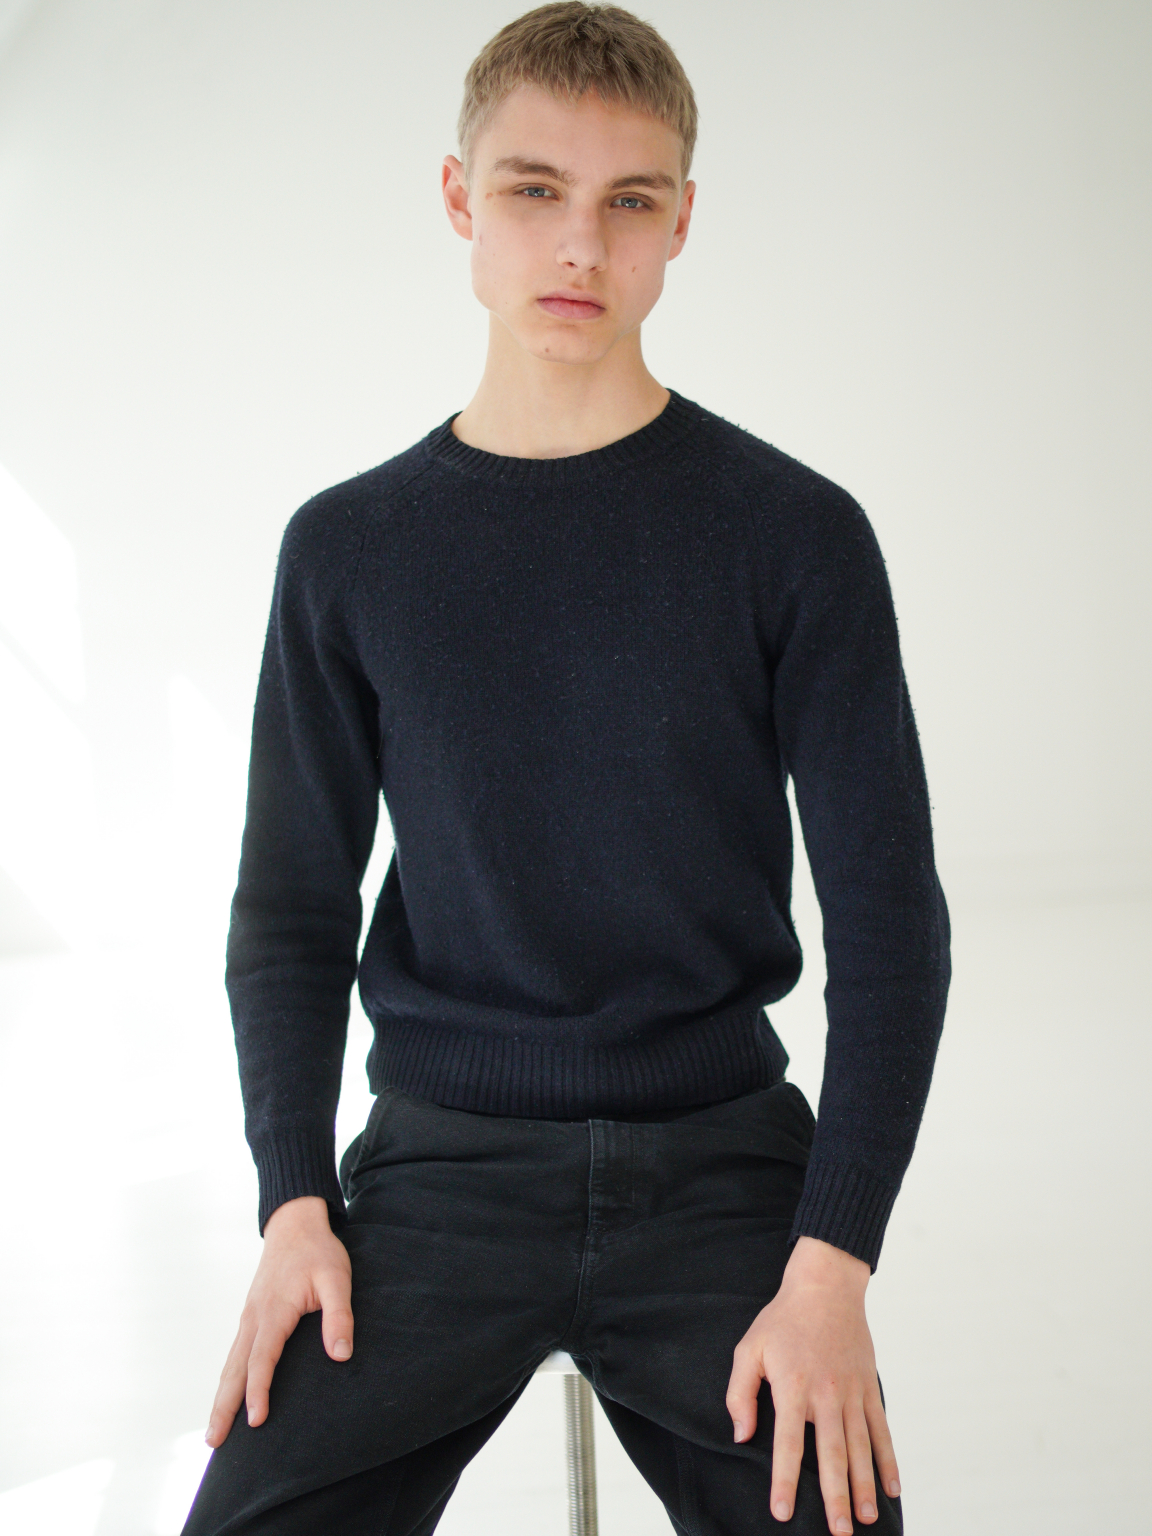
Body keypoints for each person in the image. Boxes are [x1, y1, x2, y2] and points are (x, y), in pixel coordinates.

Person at [183, 5, 950, 1533]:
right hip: (437, 1174)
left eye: (629, 200)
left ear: (682, 224)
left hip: (720, 1164)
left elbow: (890, 925)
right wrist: (292, 1206)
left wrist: (830, 1270)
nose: (581, 245)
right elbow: (290, 911)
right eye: (534, 190)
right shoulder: (349, 552)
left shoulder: (794, 536)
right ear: (460, 200)